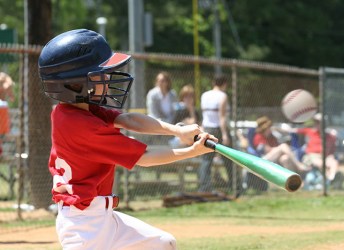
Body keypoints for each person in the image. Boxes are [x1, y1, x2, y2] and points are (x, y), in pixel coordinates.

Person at [38, 29, 217, 250]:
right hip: (84, 227)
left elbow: (130, 120)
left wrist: (178, 131)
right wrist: (192, 152)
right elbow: (145, 157)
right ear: (76, 84)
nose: (107, 78)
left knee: (163, 244)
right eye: (99, 74)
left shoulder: (74, 111)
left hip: (102, 217)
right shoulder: (83, 127)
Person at [198, 75, 233, 192]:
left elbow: (204, 115)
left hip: (207, 128)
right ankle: (234, 185)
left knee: (206, 160)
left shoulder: (205, 95)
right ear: (224, 84)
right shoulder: (223, 96)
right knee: (229, 157)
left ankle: (204, 187)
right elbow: (221, 117)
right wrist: (225, 134)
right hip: (218, 129)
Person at [290, 113, 343, 188]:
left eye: (320, 122)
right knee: (320, 163)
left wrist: (330, 157)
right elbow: (292, 130)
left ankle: (332, 178)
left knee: (334, 162)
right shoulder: (310, 131)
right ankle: (329, 180)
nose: (317, 124)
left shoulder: (329, 136)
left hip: (325, 156)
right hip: (311, 156)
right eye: (316, 122)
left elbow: (331, 152)